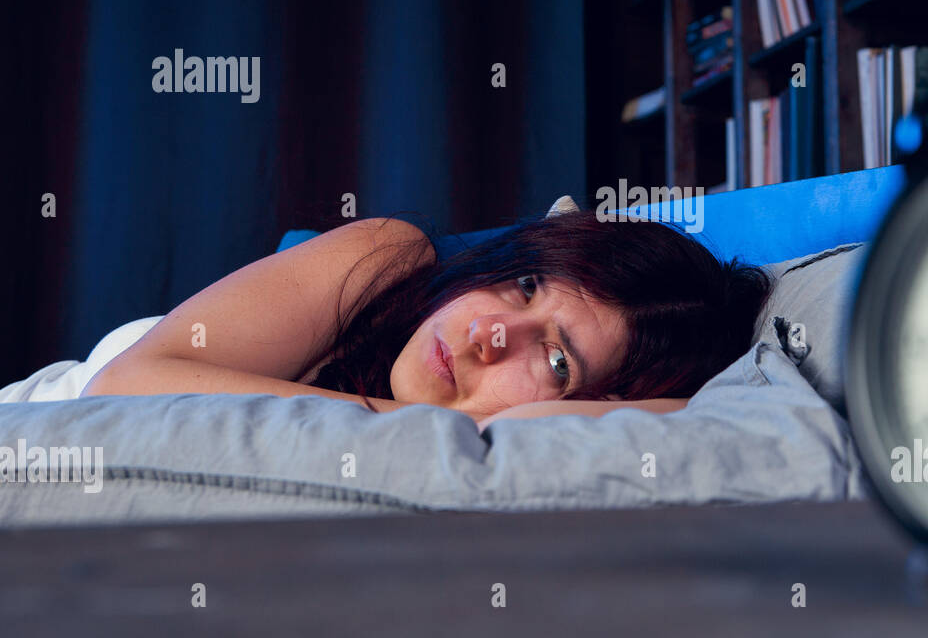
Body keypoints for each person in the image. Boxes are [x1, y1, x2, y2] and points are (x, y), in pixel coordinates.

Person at [81, 210, 772, 432]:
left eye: (557, 361)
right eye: (525, 286)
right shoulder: (384, 255)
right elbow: (120, 392)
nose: (487, 333)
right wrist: (454, 422)